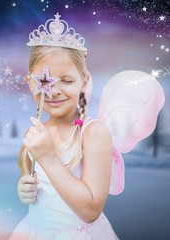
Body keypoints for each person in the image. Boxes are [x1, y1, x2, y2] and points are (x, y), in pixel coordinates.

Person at [9, 13, 119, 240]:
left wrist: (49, 157)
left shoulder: (93, 133)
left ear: (84, 81)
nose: (54, 90)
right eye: (44, 81)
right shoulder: (37, 133)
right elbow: (34, 180)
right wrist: (25, 190)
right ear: (31, 83)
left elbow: (90, 211)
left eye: (67, 81)